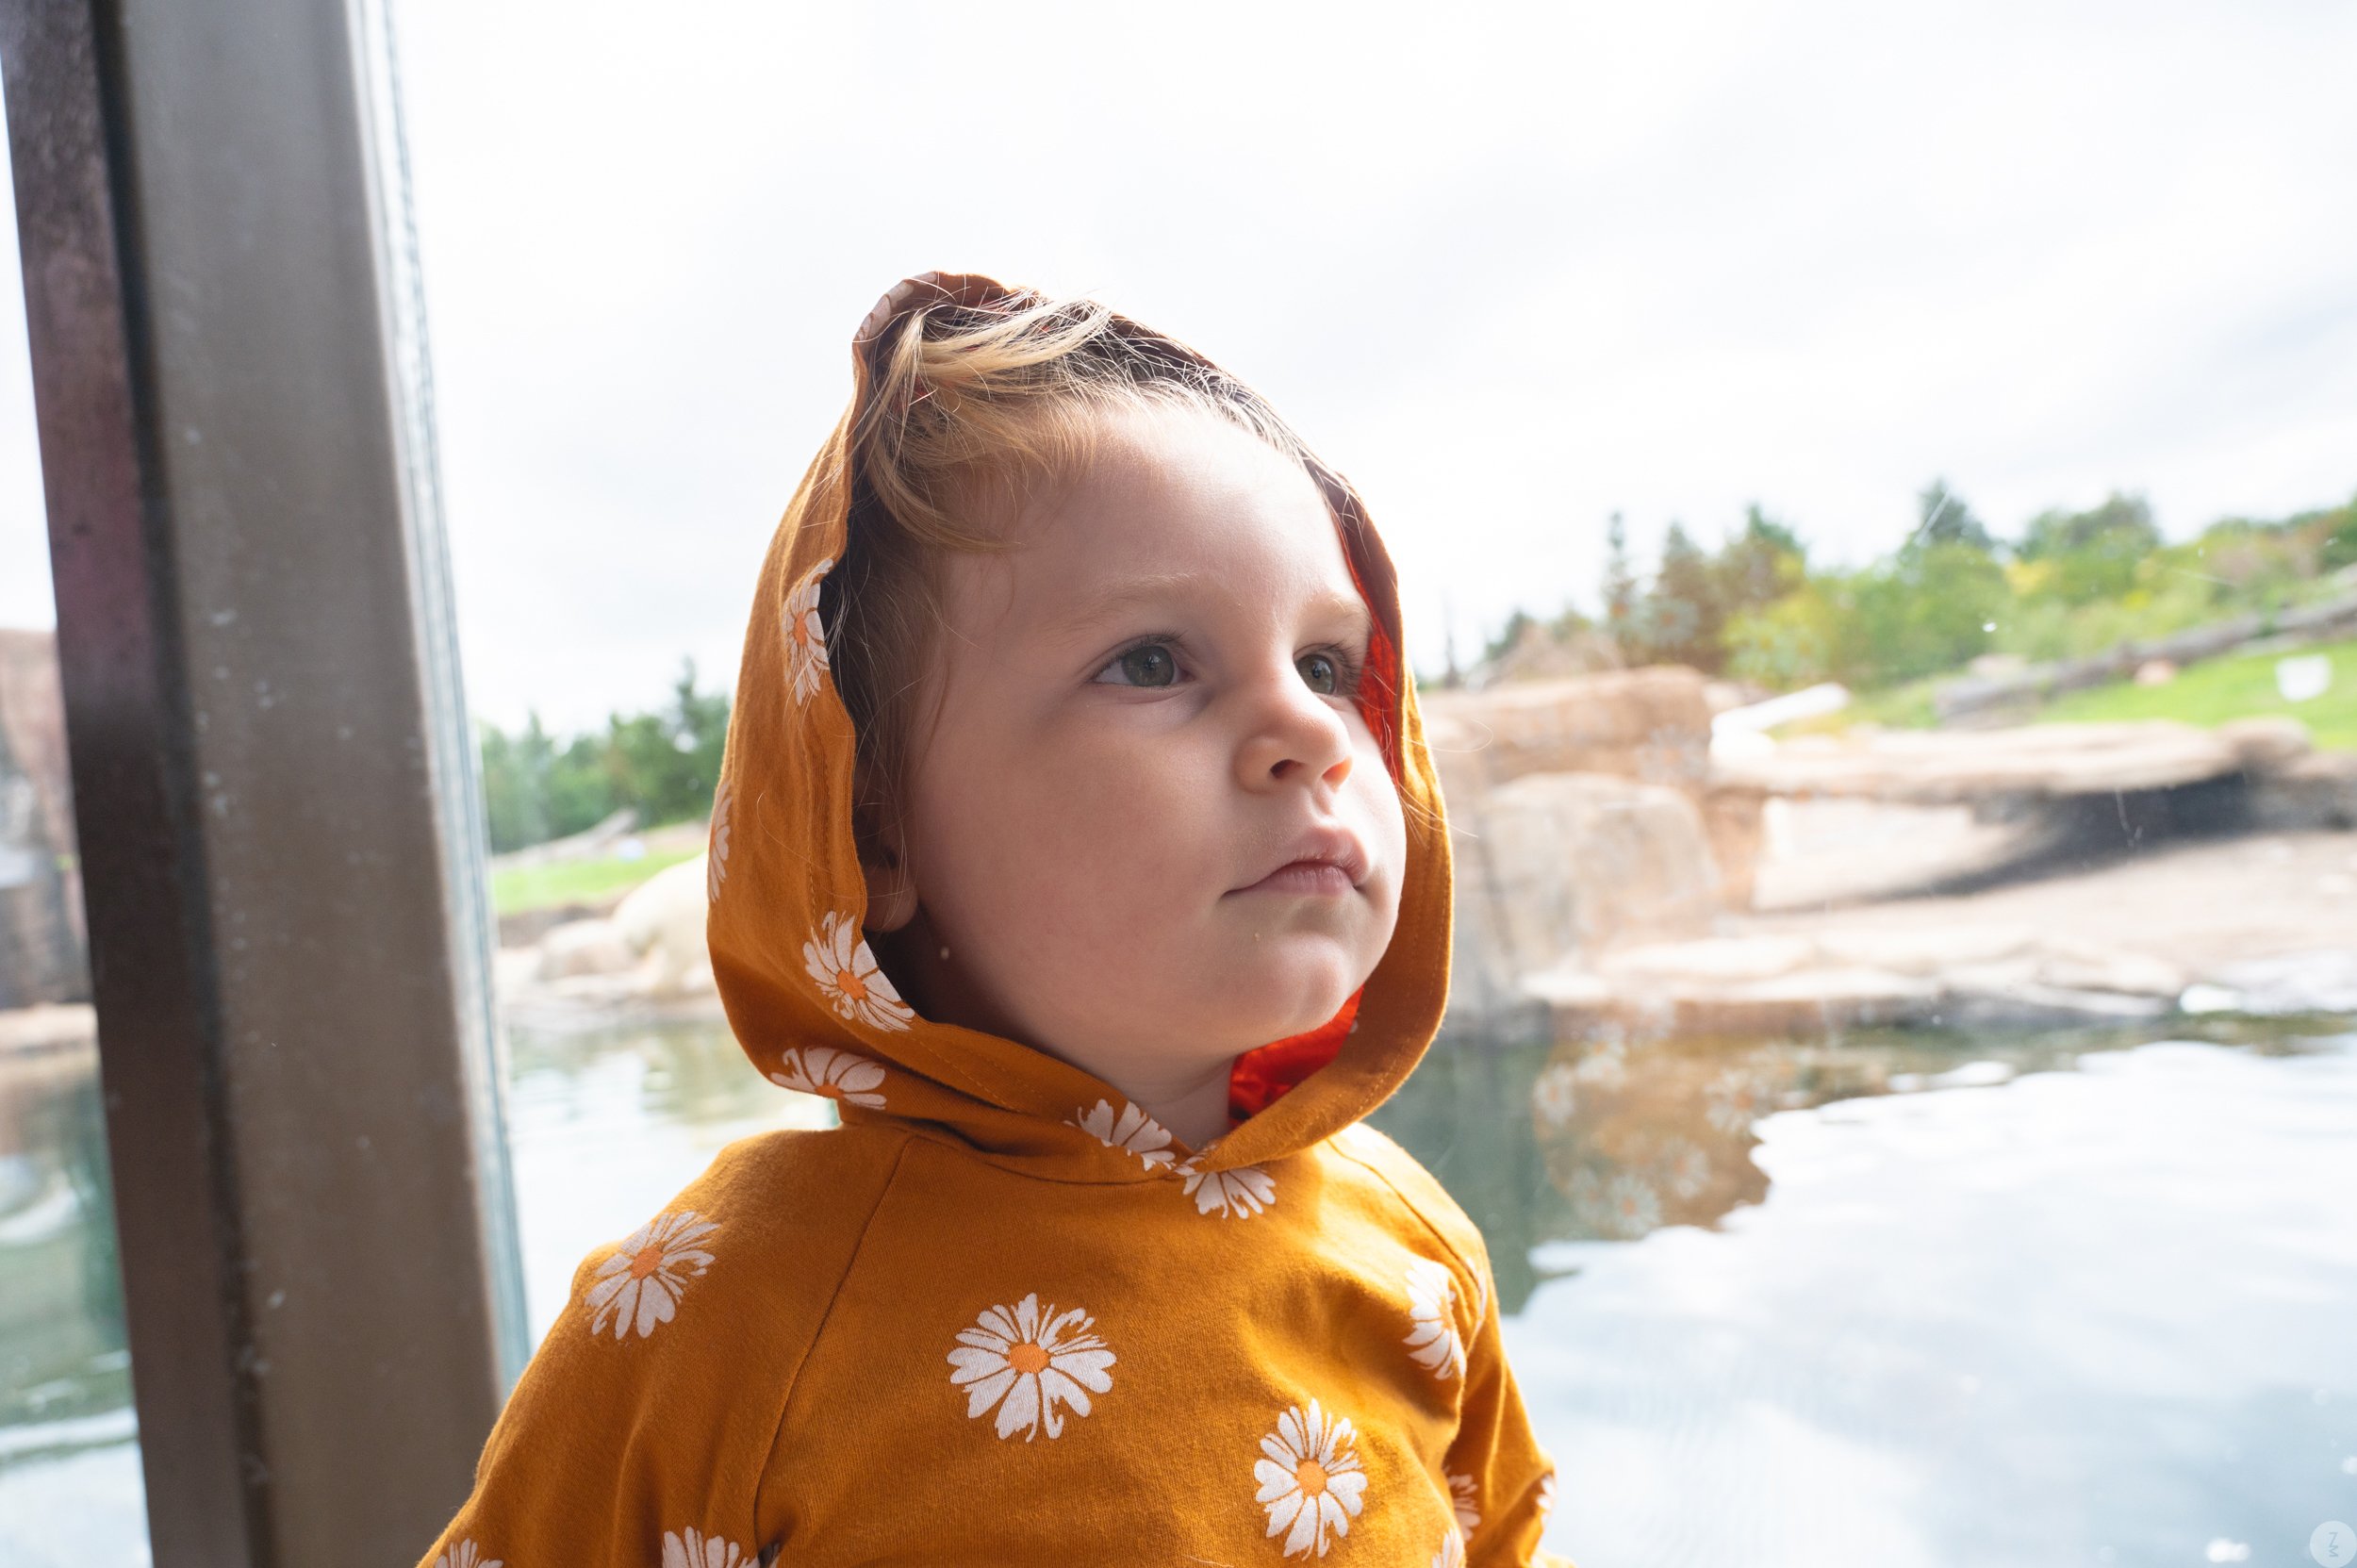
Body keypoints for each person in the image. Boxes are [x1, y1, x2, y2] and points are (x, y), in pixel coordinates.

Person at [419, 272, 1569, 1567]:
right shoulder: (719, 1316)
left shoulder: (1411, 1250)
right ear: (877, 834)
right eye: (1152, 662)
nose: (1313, 731)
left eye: (1326, 664)